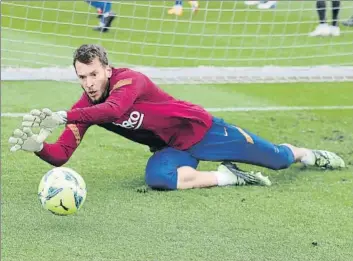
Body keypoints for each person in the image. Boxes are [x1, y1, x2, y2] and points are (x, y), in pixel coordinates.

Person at [9, 44, 345, 190]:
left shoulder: (131, 81)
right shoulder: (87, 107)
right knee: (159, 179)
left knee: (278, 159)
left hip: (203, 131)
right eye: (82, 77)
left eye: (93, 74)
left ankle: (310, 155)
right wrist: (38, 146)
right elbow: (61, 155)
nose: (89, 83)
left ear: (107, 69)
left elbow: (115, 110)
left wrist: (66, 113)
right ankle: (231, 178)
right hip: (171, 148)